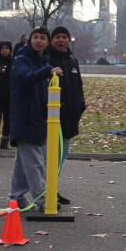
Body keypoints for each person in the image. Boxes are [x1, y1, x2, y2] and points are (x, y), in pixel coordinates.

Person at [8, 27, 63, 212]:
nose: (39, 41)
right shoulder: (21, 60)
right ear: (30, 40)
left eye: (42, 38)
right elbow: (25, 78)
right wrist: (47, 71)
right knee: (35, 162)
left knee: (23, 164)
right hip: (25, 118)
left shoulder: (43, 62)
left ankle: (16, 198)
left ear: (47, 42)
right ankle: (42, 199)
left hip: (37, 118)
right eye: (36, 37)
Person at [47, 26, 86, 204]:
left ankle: (52, 188)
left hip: (70, 117)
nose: (61, 40)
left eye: (64, 37)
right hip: (53, 117)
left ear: (69, 40)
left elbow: (78, 85)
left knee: (62, 155)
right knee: (50, 156)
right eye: (57, 37)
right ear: (52, 40)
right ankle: (46, 192)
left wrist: (81, 105)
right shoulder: (47, 60)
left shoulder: (72, 60)